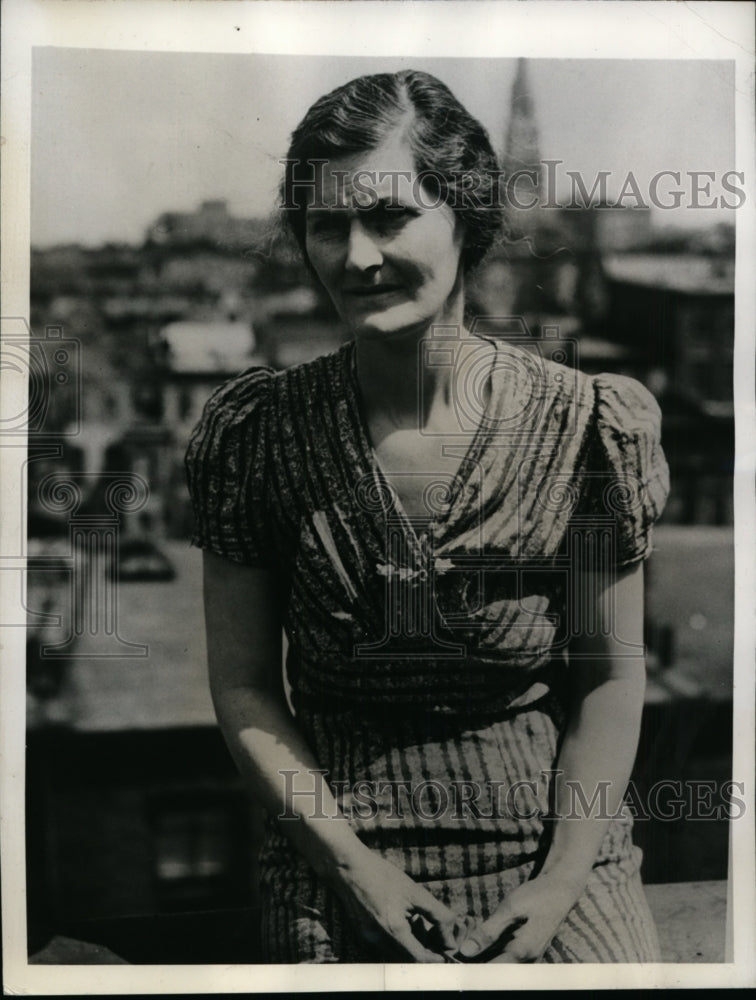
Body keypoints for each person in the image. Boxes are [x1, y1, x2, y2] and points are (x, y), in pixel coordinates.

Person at [185, 69, 670, 963]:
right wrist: (354, 871)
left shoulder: (586, 428)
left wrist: (562, 881)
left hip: (553, 837)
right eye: (327, 225)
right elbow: (245, 685)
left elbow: (610, 677)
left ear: (470, 216)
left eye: (389, 215)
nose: (356, 257)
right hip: (337, 847)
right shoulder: (257, 436)